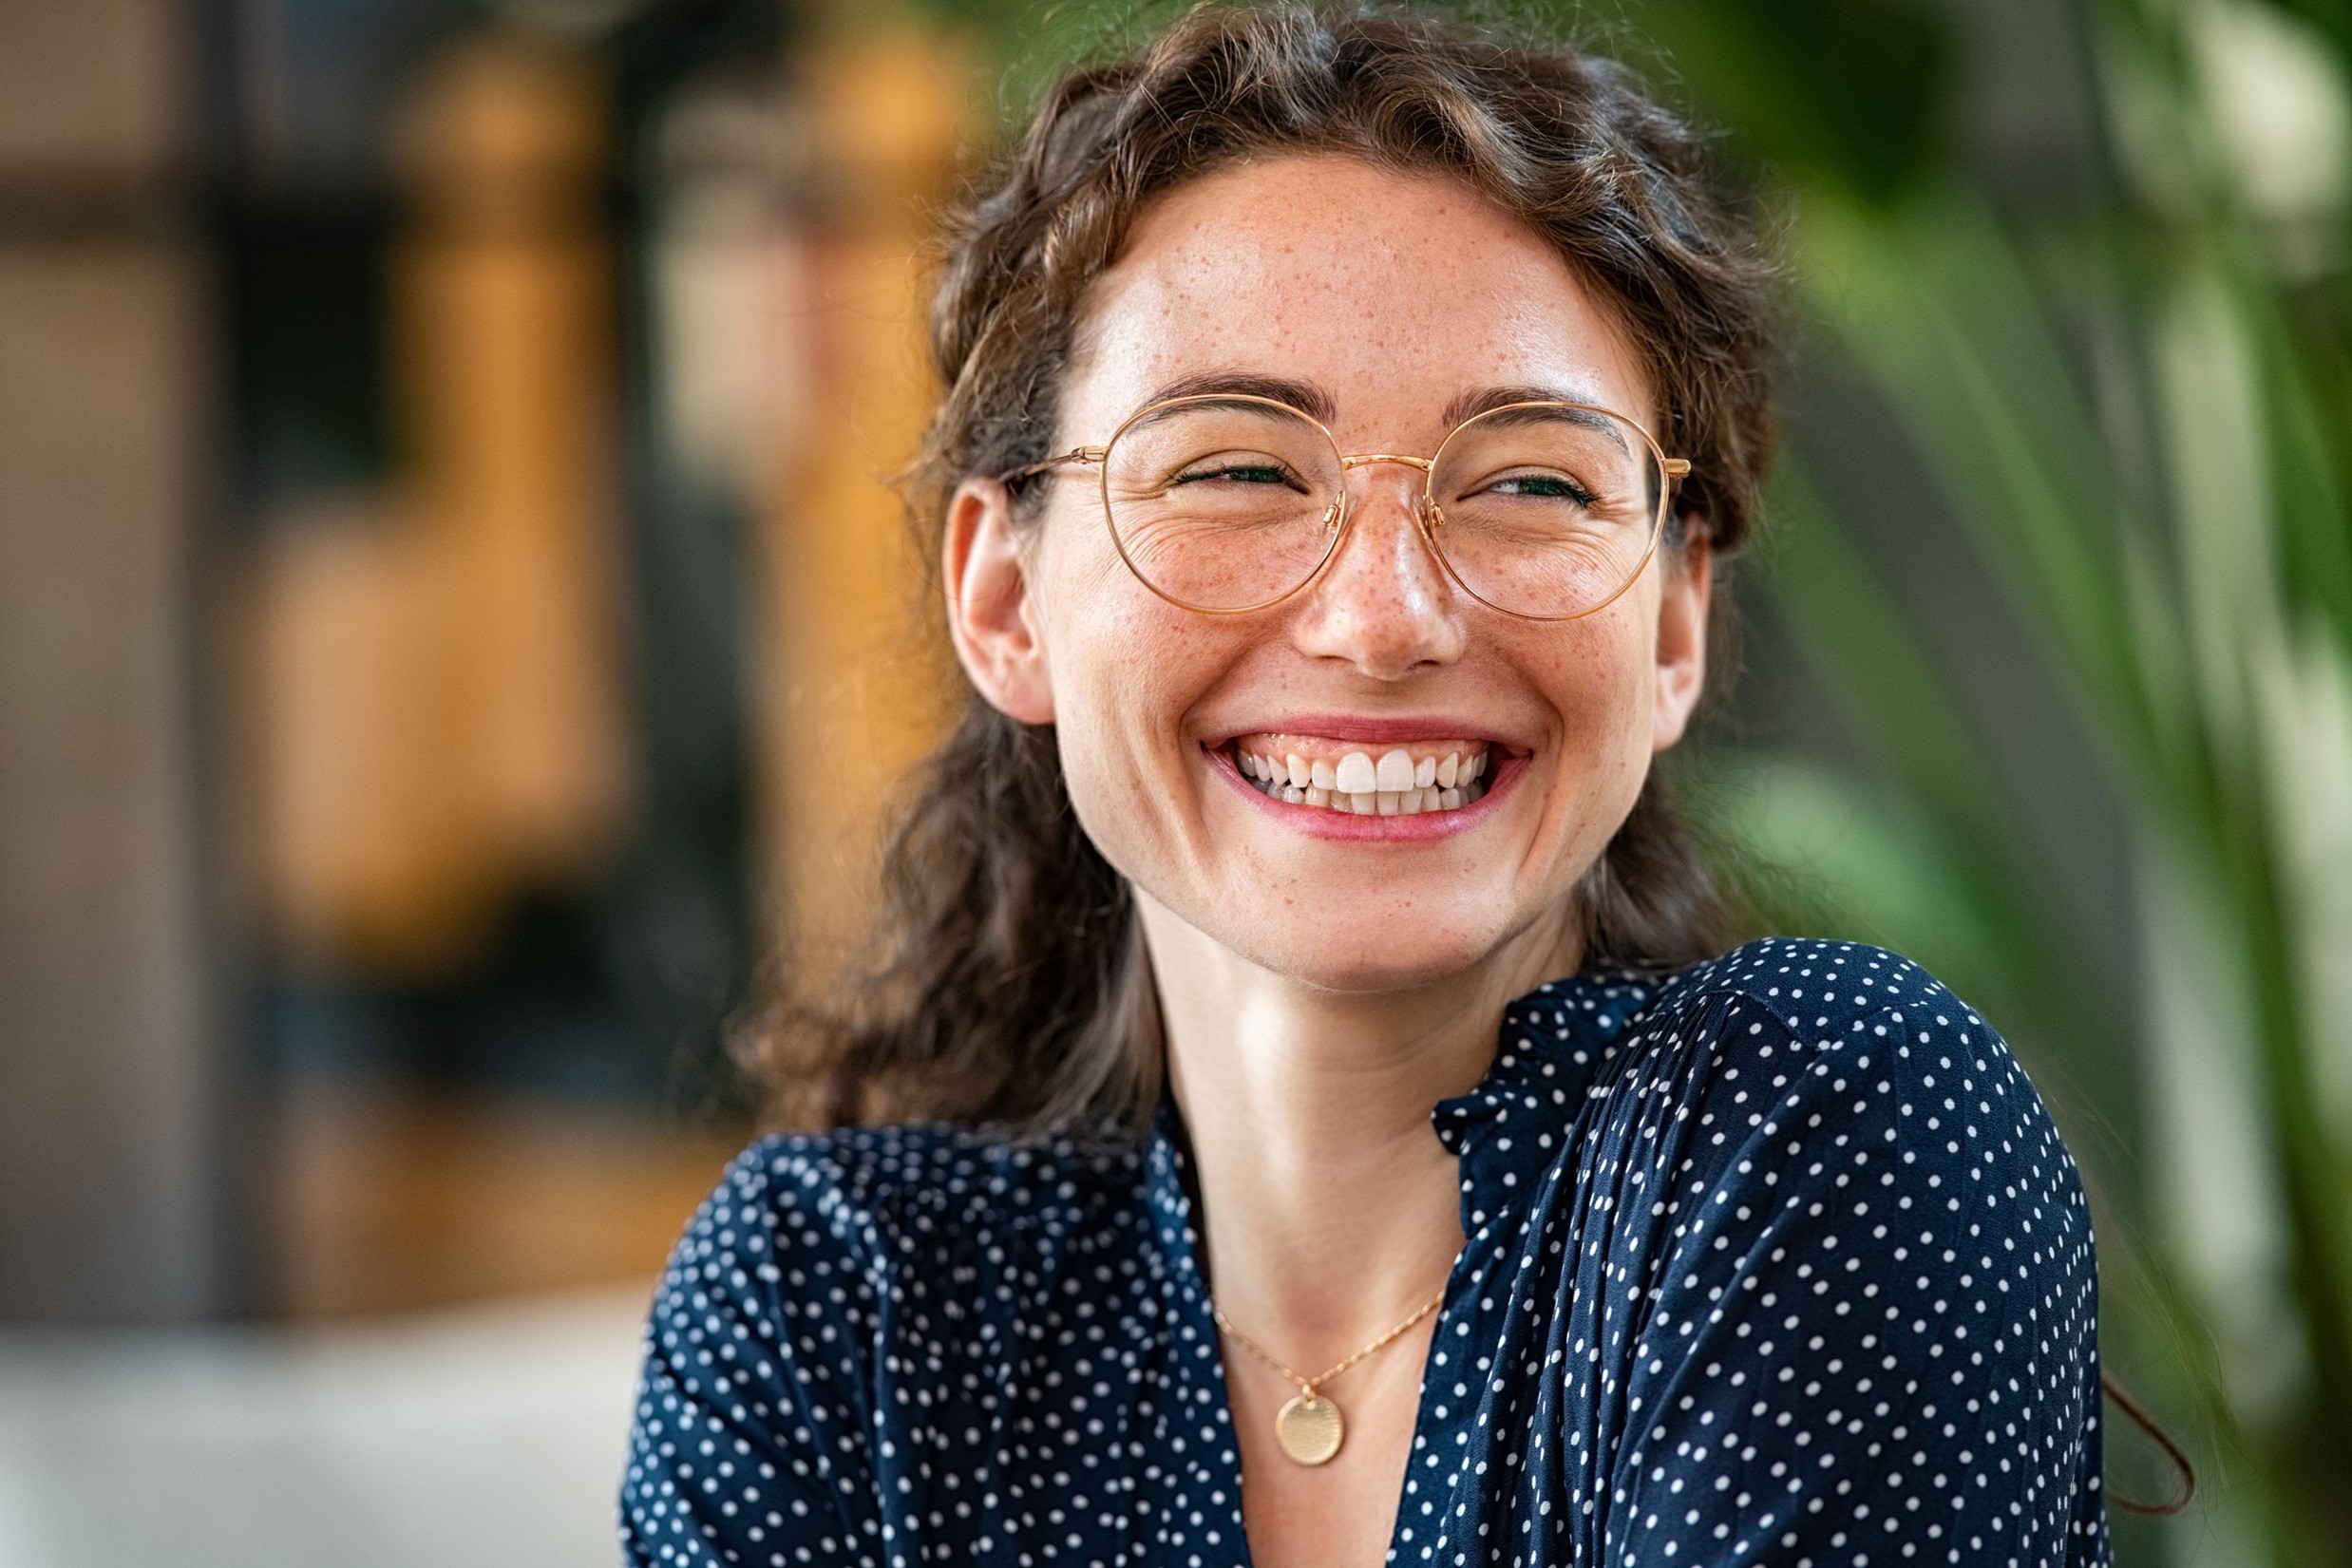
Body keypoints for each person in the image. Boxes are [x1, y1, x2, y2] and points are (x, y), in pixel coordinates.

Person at [620, 6, 2110, 1565]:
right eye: (1239, 469)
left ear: (1675, 621)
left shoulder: (1835, 1144)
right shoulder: (836, 1309)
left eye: (1532, 481)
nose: (1386, 615)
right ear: (1006, 601)